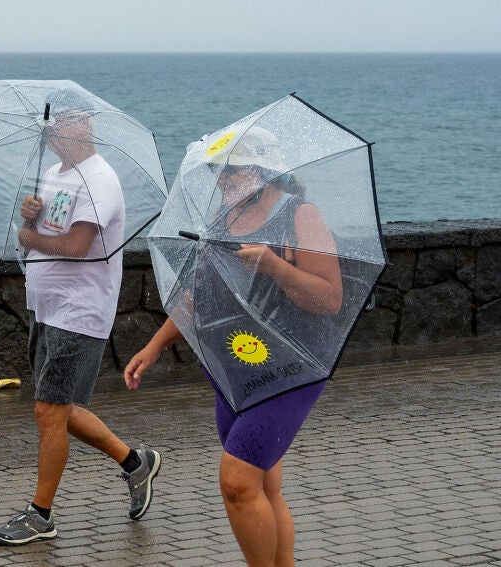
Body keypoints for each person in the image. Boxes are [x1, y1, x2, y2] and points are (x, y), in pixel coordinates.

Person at [124, 127, 342, 567]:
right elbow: (198, 297)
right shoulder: (221, 219)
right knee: (265, 487)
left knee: (238, 483)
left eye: (233, 171)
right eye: (218, 172)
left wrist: (274, 266)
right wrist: (155, 345)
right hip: (232, 371)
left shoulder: (300, 215)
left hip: (287, 370)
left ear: (264, 170)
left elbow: (330, 298)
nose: (222, 180)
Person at [0, 89, 161, 546]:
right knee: (59, 406)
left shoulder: (99, 181)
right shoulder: (53, 174)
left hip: (79, 311)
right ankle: (136, 463)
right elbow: (43, 233)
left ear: (82, 131)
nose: (52, 137)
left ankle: (41, 516)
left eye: (60, 128)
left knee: (48, 410)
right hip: (45, 305)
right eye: (50, 130)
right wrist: (31, 216)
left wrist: (30, 236)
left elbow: (77, 247)